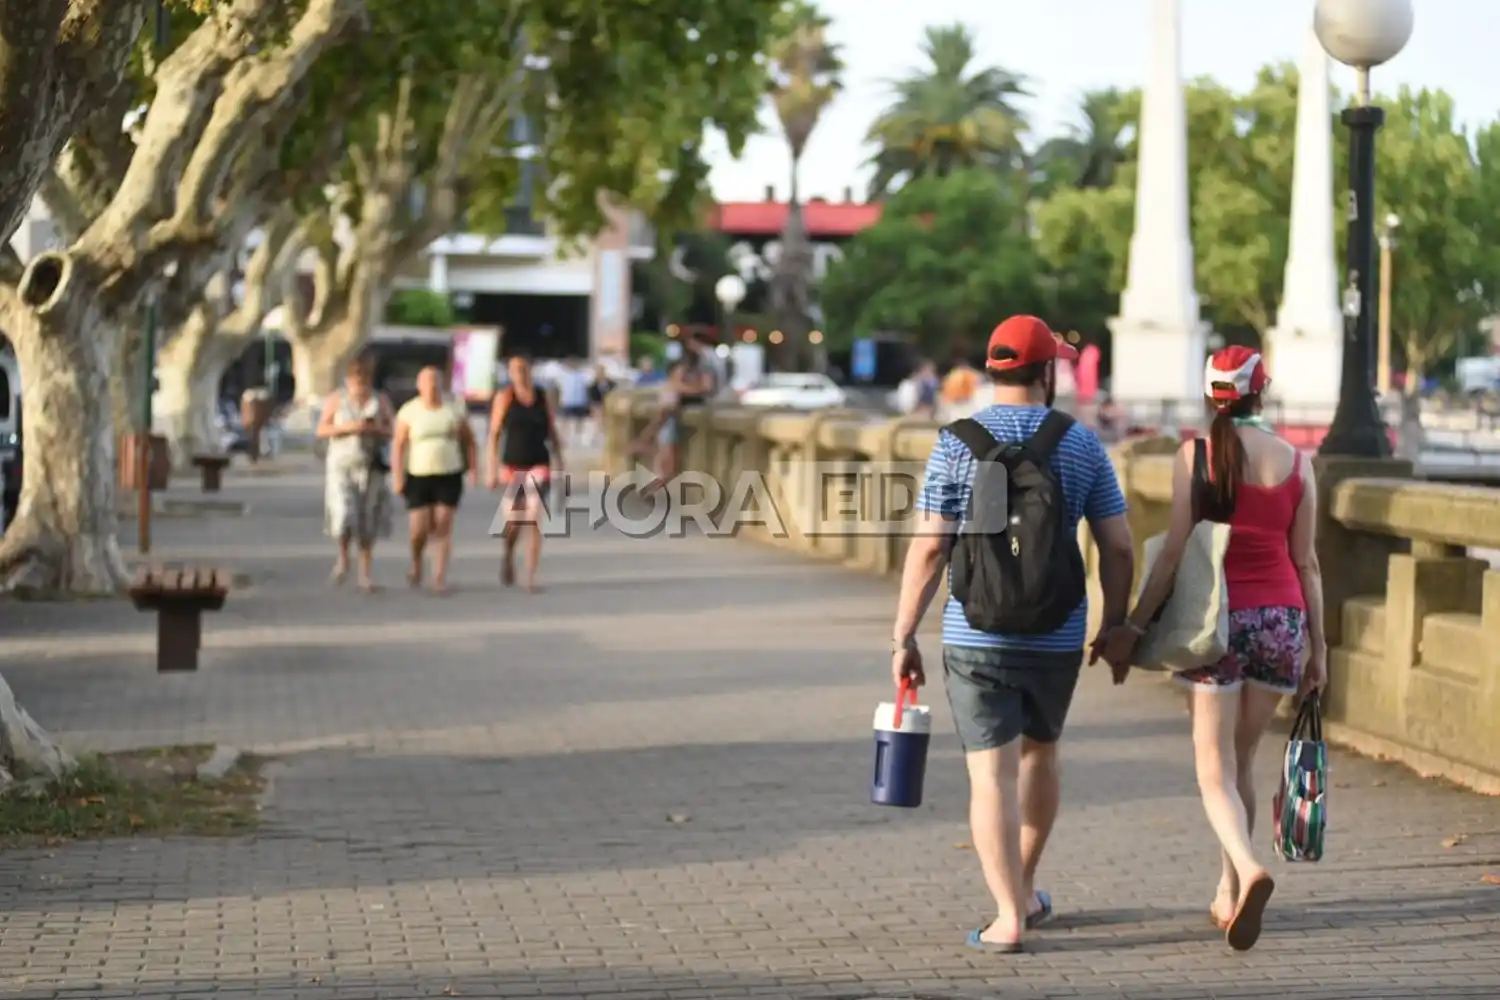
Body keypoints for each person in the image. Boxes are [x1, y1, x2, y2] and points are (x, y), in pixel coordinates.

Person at [890, 315, 1136, 954]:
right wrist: (1115, 625)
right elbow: (1119, 547)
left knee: (988, 778)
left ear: (994, 370)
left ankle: (1008, 914)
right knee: (1040, 755)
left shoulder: (955, 442)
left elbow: (929, 548)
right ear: (1047, 371)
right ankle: (1025, 885)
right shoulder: (1079, 444)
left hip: (975, 632)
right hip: (1057, 634)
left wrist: (903, 634)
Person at [1096, 346, 1327, 952]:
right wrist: (1319, 650)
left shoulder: (1194, 456)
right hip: (1281, 623)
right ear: (1262, 391)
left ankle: (1248, 872)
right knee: (1241, 763)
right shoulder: (1298, 463)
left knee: (1212, 770)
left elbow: (1174, 553)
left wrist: (1134, 627)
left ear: (1209, 397)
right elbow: (1307, 562)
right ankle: (1228, 894)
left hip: (1216, 623)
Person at [392, 366, 478, 594]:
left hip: (448, 473)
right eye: (427, 381)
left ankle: (439, 577)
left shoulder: (453, 409)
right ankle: (417, 562)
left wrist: (473, 468)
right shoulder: (409, 411)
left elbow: (469, 440)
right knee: (419, 529)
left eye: (435, 381)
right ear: (419, 385)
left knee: (442, 525)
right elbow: (399, 446)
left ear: (442, 384)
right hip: (418, 474)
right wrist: (398, 476)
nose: (431, 386)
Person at [316, 355, 394, 592]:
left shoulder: (379, 400)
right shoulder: (336, 400)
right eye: (357, 376)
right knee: (343, 514)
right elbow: (321, 429)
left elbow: (393, 429)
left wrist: (375, 429)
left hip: (371, 466)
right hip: (341, 466)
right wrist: (348, 427)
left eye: (365, 376)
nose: (361, 380)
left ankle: (365, 573)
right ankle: (343, 557)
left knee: (367, 518)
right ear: (349, 377)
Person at [486, 354, 563, 592]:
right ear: (509, 373)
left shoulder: (542, 397)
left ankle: (531, 575)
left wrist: (560, 462)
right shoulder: (504, 397)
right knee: (514, 521)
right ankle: (508, 555)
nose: (520, 373)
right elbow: (494, 434)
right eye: (515, 369)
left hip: (539, 463)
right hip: (513, 465)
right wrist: (491, 469)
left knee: (535, 517)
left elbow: (552, 430)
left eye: (524, 368)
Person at [556, 357, 592, 447]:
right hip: (568, 401)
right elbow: (559, 389)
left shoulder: (583, 375)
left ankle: (580, 438)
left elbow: (587, 388)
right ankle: (563, 439)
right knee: (565, 422)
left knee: (580, 421)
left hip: (580, 401)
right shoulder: (563, 375)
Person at [585, 362, 615, 449]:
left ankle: (607, 439)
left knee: (607, 423)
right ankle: (592, 439)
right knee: (597, 423)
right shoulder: (592, 385)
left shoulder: (610, 383)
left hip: (608, 405)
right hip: (598, 405)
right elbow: (592, 397)